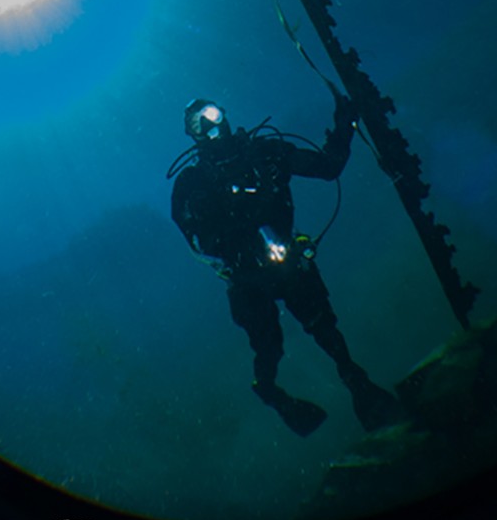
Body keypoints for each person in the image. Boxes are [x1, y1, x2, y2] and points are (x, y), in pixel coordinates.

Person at [170, 94, 404, 436]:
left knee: (324, 328)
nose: (208, 125)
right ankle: (270, 391)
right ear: (191, 135)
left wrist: (345, 123)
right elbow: (190, 232)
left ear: (225, 114)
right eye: (197, 123)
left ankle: (360, 388)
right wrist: (228, 246)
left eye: (211, 114)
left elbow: (328, 166)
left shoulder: (266, 153)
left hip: (286, 263)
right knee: (269, 346)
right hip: (247, 278)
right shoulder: (191, 183)